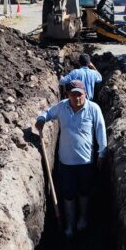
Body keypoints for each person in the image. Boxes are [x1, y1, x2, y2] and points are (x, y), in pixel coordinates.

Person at [35, 79, 107, 238]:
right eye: (73, 95)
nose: (77, 98)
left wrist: (102, 152)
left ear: (85, 94)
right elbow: (47, 114)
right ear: (67, 95)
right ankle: (69, 224)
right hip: (66, 163)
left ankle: (82, 219)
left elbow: (101, 130)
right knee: (68, 194)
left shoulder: (93, 108)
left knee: (84, 192)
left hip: (86, 163)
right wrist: (41, 120)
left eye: (80, 95)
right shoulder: (62, 107)